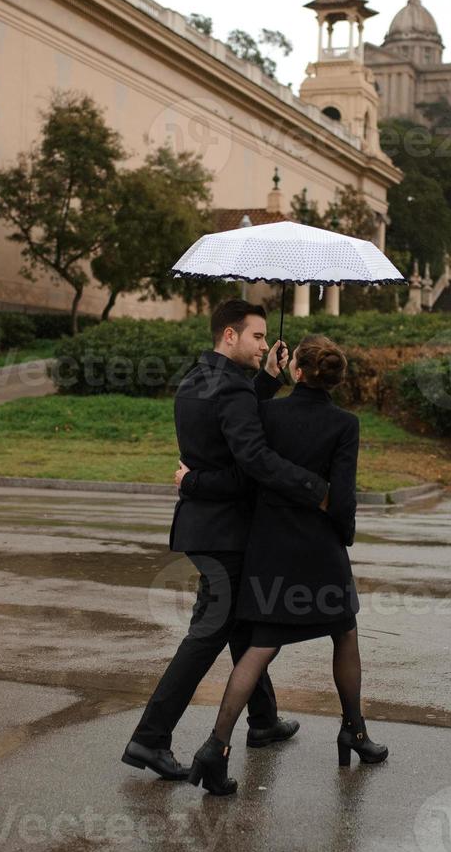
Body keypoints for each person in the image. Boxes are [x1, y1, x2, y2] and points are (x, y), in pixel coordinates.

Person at [122, 300, 326, 780]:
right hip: (225, 531)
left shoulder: (199, 379)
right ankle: (149, 739)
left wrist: (269, 379)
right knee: (208, 633)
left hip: (203, 528)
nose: (264, 345)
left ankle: (263, 720)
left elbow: (225, 422)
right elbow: (251, 466)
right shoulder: (232, 390)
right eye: (257, 337)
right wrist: (313, 487)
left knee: (241, 626)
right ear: (230, 336)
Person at [177, 335, 387, 796]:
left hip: (269, 548)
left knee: (261, 647)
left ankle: (215, 747)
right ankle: (354, 732)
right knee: (345, 633)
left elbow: (250, 464)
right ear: (336, 378)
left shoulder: (267, 414)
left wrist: (265, 379)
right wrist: (342, 535)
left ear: (297, 371)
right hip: (319, 549)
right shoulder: (345, 424)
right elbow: (344, 496)